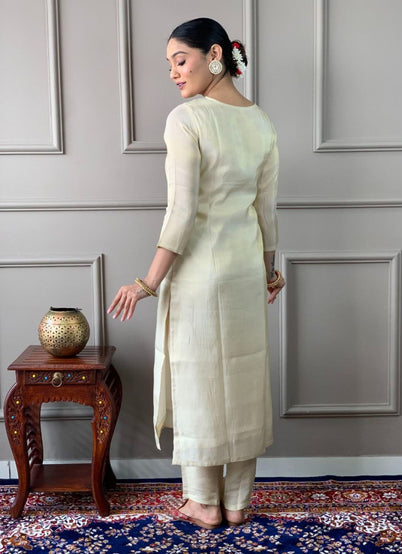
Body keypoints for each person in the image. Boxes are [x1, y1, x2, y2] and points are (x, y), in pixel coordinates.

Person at [107, 17, 285, 529]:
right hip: (245, 273)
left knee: (201, 380)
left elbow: (181, 213)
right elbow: (266, 212)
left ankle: (203, 502)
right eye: (169, 64)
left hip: (199, 277)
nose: (173, 73)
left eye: (180, 60)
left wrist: (147, 282)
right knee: (243, 378)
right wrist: (269, 272)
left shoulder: (187, 119)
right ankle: (238, 502)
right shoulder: (262, 122)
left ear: (215, 55)